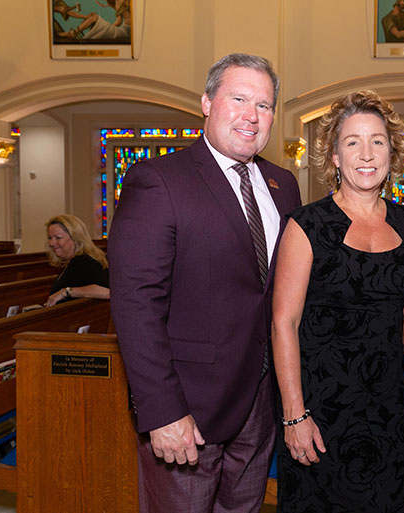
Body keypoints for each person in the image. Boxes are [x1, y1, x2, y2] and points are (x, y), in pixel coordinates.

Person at [109, 53, 301, 513]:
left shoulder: (283, 184)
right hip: (187, 408)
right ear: (206, 103)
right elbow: (136, 304)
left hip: (259, 405)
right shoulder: (159, 180)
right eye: (239, 99)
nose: (252, 115)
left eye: (265, 104)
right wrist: (162, 411)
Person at [272, 90, 404, 512]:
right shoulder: (308, 225)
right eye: (352, 141)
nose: (367, 153)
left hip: (387, 404)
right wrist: (294, 414)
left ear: (392, 153)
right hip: (320, 409)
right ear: (335, 156)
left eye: (377, 141)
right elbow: (283, 322)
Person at [44, 214, 109, 307]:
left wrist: (66, 292)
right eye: (50, 238)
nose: (51, 243)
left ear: (75, 238)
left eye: (58, 237)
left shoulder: (84, 261)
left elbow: (106, 292)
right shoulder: (76, 261)